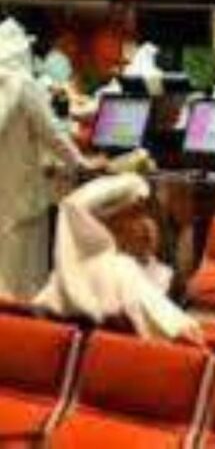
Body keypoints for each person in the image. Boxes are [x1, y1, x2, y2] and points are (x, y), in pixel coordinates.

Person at [34, 174, 203, 344]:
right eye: (135, 214)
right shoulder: (121, 268)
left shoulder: (63, 275)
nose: (146, 224)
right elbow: (185, 334)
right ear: (105, 222)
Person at [0, 18, 100, 299]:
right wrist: (82, 164)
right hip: (24, 200)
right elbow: (53, 134)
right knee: (26, 277)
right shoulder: (24, 85)